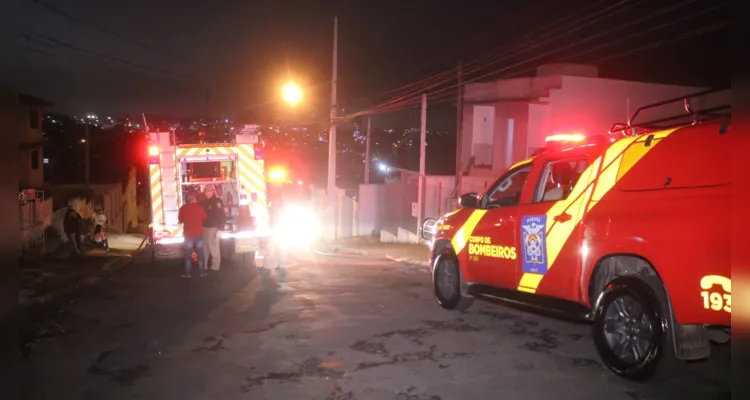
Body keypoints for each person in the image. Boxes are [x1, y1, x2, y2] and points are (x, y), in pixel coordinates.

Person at [178, 193, 208, 278]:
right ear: (194, 199)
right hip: (198, 234)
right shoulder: (200, 207)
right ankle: (202, 272)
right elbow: (205, 217)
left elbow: (180, 219)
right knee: (200, 253)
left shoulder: (183, 208)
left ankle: (188, 273)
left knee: (188, 255)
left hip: (188, 235)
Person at [202, 184, 226, 271]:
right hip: (204, 227)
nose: (207, 192)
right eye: (206, 191)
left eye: (209, 190)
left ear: (212, 191)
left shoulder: (217, 202)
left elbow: (222, 216)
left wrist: (220, 229)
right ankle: (203, 266)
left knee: (214, 248)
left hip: (213, 227)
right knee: (205, 248)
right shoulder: (204, 202)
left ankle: (215, 267)